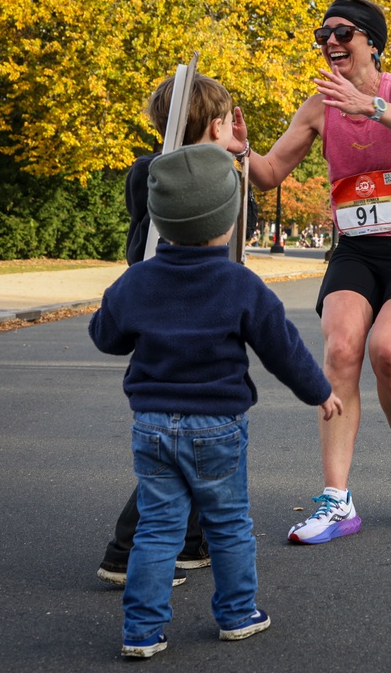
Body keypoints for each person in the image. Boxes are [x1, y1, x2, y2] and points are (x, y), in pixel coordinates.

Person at [90, 144, 343, 658]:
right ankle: (236, 613)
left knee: (158, 528)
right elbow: (282, 350)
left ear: (160, 219)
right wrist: (320, 391)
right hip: (217, 427)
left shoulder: (137, 281)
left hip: (153, 425)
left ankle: (141, 630)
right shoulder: (239, 285)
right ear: (228, 221)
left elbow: (106, 336)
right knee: (228, 524)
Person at [232, 0, 391, 544]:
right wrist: (238, 150)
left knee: (389, 351)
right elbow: (269, 173)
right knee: (341, 350)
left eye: (343, 33)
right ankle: (336, 501)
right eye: (323, 35)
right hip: (355, 249)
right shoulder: (316, 106)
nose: (331, 42)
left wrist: (366, 105)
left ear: (371, 41)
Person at [98, 72, 255, 589]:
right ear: (215, 125)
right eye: (227, 121)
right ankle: (126, 551)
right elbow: (230, 235)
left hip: (159, 321)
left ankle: (189, 544)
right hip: (190, 323)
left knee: (182, 432)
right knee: (186, 439)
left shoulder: (149, 173)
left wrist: (230, 151)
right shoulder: (192, 182)